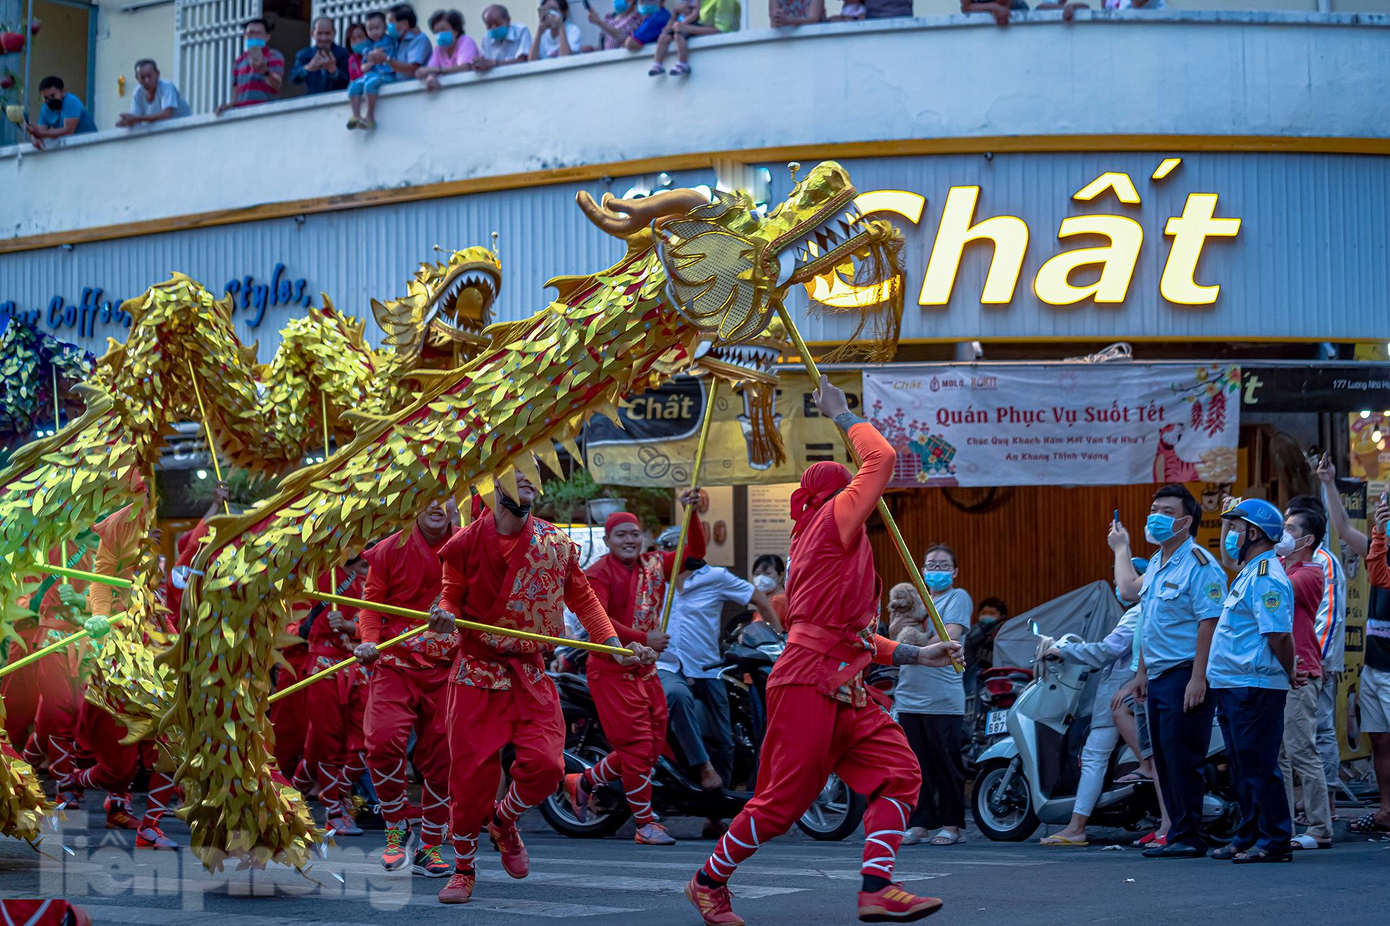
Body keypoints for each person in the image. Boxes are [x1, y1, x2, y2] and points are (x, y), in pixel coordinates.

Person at [685, 375, 962, 926]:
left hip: (840, 681)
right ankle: (707, 882)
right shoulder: (833, 521)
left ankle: (876, 888)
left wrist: (916, 654)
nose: (864, 501)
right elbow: (881, 458)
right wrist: (840, 411)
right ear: (840, 493)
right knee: (782, 805)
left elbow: (844, 634)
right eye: (854, 492)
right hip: (809, 680)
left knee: (899, 772)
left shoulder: (824, 541)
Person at [427, 476, 654, 904]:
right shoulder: (464, 544)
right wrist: (443, 614)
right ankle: (463, 869)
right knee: (469, 781)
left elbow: (584, 601)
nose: (527, 477)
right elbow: (451, 597)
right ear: (493, 484)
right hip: (476, 672)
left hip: (529, 671)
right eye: (515, 470)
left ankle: (504, 820)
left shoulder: (555, 542)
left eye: (531, 468)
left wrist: (614, 646)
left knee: (548, 767)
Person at [564, 498, 702, 845]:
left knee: (651, 748)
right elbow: (598, 620)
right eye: (621, 534)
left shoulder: (653, 565)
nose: (629, 540)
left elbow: (696, 552)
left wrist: (693, 514)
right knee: (637, 748)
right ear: (608, 540)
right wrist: (644, 638)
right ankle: (644, 824)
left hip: (646, 670)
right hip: (611, 672)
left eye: (635, 534)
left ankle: (583, 781)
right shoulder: (597, 573)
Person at [1112, 485, 1227, 860]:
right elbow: (1147, 619)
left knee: (1183, 758)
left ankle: (1189, 835)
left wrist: (1199, 677)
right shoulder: (1158, 562)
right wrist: (1141, 673)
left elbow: (1209, 624)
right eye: (1154, 509)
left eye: (1166, 511)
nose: (1155, 517)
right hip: (1158, 675)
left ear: (1186, 521)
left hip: (1185, 673)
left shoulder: (1200, 564)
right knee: (1163, 759)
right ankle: (1176, 831)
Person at [353, 499, 459, 878]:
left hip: (448, 667)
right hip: (395, 664)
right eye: (428, 493)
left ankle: (430, 846)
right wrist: (368, 640)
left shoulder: (467, 545)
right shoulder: (387, 550)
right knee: (381, 742)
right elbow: (371, 605)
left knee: (444, 756)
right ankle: (396, 828)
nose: (437, 503)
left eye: (446, 493)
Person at [73, 471, 178, 850]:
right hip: (121, 648)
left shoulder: (157, 532)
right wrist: (100, 615)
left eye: (148, 491)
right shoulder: (116, 527)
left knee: (172, 740)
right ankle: (75, 781)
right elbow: (101, 579)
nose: (143, 497)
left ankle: (150, 827)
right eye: (136, 490)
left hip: (159, 645)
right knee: (119, 767)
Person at [1206, 499, 1298, 863]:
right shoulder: (1249, 572)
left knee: (1259, 766)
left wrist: (1290, 670)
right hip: (1233, 683)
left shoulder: (1266, 576)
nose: (1230, 535)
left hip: (1254, 684)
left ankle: (1275, 840)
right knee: (1242, 767)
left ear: (1254, 533)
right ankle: (1248, 835)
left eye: (1235, 528)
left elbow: (1279, 635)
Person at [1038, 556, 1149, 846]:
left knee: (1094, 756)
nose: (1118, 584)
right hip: (1136, 693)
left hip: (1121, 694)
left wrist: (1065, 651)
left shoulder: (1138, 613)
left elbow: (1106, 650)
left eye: (1123, 578)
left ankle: (1076, 827)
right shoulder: (1149, 610)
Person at [660, 555, 778, 794]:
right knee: (677, 696)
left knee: (724, 738)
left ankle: (719, 802)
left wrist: (781, 639)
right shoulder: (657, 579)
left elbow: (758, 598)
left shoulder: (716, 577)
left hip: (706, 667)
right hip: (668, 665)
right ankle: (703, 767)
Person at [891, 544, 969, 847]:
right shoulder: (914, 600)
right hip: (909, 695)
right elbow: (893, 637)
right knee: (915, 765)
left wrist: (915, 649)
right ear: (921, 570)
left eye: (943, 565)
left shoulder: (957, 597)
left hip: (942, 699)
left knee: (946, 763)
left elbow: (950, 636)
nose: (937, 570)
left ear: (955, 571)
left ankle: (952, 825)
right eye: (931, 565)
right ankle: (920, 823)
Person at [301, 556, 372, 836]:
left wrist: (350, 627)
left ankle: (333, 791)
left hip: (358, 669)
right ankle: (333, 812)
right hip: (323, 668)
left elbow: (383, 624)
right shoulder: (318, 572)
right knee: (327, 743)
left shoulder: (369, 583)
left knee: (367, 742)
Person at [1276, 505, 1333, 850]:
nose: (1283, 534)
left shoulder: (1310, 572)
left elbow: (1274, 593)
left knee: (1301, 751)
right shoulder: (1281, 566)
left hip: (1302, 670)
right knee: (1280, 755)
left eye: (1290, 529)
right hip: (1280, 669)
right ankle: (1281, 825)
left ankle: (1319, 827)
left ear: (1307, 539)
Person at [1344, 480, 1390, 837]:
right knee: (1380, 742)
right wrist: (1327, 483)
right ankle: (1386, 811)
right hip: (1375, 667)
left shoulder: (1379, 551)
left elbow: (1378, 575)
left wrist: (1378, 535)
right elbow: (1343, 528)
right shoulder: (1380, 548)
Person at [648, 0, 739, 77]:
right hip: (689, 25)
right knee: (663, 37)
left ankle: (682, 63)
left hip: (695, 28)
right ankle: (657, 64)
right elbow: (679, 13)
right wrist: (672, 22)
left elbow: (722, 30)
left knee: (679, 34)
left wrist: (685, 26)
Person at [216, 19, 285, 114]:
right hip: (243, 114)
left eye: (259, 33)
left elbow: (277, 85)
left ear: (267, 37)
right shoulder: (239, 61)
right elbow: (236, 92)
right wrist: (229, 106)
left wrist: (265, 71)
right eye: (251, 33)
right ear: (244, 36)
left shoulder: (274, 56)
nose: (254, 36)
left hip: (266, 113)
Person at [25, 76, 96, 149]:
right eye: (46, 98)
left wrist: (38, 133)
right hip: (71, 148)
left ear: (63, 92)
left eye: (53, 95)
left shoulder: (71, 101)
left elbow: (68, 131)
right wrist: (34, 137)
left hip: (91, 145)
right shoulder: (45, 108)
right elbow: (41, 131)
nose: (49, 100)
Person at [116, 59, 191, 128]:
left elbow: (167, 114)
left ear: (157, 74)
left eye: (149, 76)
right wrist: (125, 122)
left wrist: (136, 118)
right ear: (137, 79)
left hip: (184, 129)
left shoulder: (167, 87)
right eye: (142, 77)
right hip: (163, 132)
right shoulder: (138, 92)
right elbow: (135, 119)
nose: (147, 81)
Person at [417, 9, 479, 89]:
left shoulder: (465, 41)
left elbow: (465, 67)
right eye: (436, 32)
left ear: (456, 30)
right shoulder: (439, 49)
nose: (440, 34)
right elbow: (430, 69)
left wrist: (437, 70)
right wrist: (430, 77)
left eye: (443, 29)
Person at [290, 17, 351, 96]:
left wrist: (334, 70)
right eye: (320, 33)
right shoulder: (304, 55)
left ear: (334, 33)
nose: (324, 38)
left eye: (327, 33)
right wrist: (308, 67)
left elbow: (349, 81)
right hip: (313, 100)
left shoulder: (344, 53)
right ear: (312, 34)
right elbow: (293, 77)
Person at [474, 5, 532, 70]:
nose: (493, 28)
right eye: (489, 25)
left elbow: (523, 60)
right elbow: (485, 61)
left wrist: (495, 63)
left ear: (508, 20)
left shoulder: (521, 31)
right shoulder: (486, 38)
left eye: (497, 24)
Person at [751, 553, 788, 628]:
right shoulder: (770, 599)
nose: (761, 578)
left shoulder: (777, 601)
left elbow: (760, 630)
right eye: (757, 574)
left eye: (767, 573)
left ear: (781, 576)